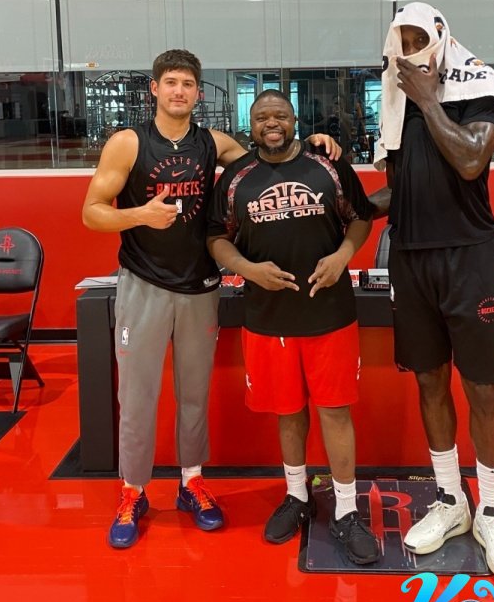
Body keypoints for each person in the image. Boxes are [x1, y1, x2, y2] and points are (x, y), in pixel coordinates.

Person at [82, 50, 340, 549]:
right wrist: (139, 215)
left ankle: (192, 482)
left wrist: (314, 143)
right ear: (154, 89)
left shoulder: (213, 143)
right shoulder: (128, 143)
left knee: (194, 394)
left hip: (200, 285)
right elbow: (92, 211)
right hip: (144, 283)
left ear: (198, 93)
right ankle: (133, 491)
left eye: (188, 84)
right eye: (171, 82)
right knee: (137, 396)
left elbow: (270, 156)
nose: (179, 91)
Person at [369, 2, 494, 581]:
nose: (409, 52)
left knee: (481, 385)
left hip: (469, 257)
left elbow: (470, 159)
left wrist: (429, 98)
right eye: (401, 41)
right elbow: (399, 190)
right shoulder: (396, 103)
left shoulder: (478, 88)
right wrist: (337, 195)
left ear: (439, 39)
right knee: (430, 381)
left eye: (418, 39)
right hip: (410, 257)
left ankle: (493, 510)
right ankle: (450, 499)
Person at [207, 89, 380, 566]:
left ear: (294, 119)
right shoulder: (236, 176)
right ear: (251, 123)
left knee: (335, 412)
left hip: (330, 313)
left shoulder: (327, 164)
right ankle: (297, 495)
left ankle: (346, 509)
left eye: (280, 115)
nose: (271, 123)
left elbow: (361, 218)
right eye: (262, 116)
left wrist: (343, 256)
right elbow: (216, 237)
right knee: (287, 411)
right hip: (269, 318)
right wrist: (247, 268)